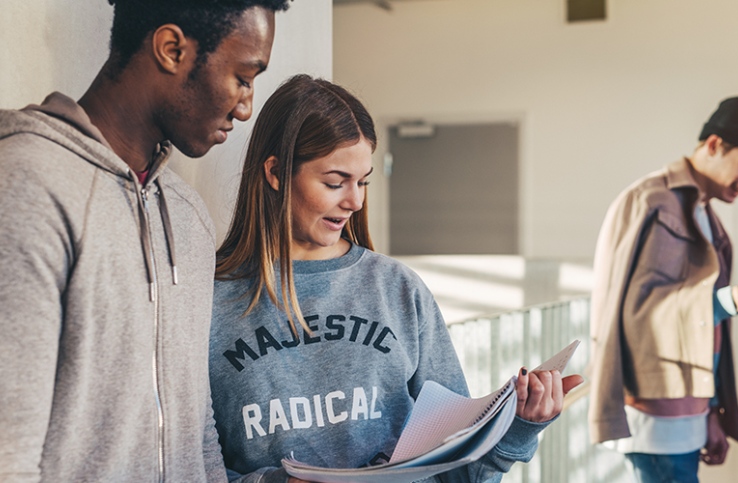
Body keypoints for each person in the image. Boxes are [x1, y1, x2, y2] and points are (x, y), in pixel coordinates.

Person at [208, 73, 584, 483]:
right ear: (276, 172)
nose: (355, 201)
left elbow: (459, 473)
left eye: (363, 181)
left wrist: (519, 428)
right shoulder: (209, 300)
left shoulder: (398, 289)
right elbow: (182, 463)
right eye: (335, 182)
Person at [0, 0, 290, 480]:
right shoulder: (29, 185)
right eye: (243, 77)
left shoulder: (188, 216)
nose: (246, 106)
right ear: (171, 49)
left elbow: (198, 434)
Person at [588, 93, 738, 483]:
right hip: (656, 421)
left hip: (688, 413)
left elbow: (706, 331)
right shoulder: (649, 200)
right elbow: (641, 314)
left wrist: (712, 412)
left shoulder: (704, 213)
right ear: (715, 145)